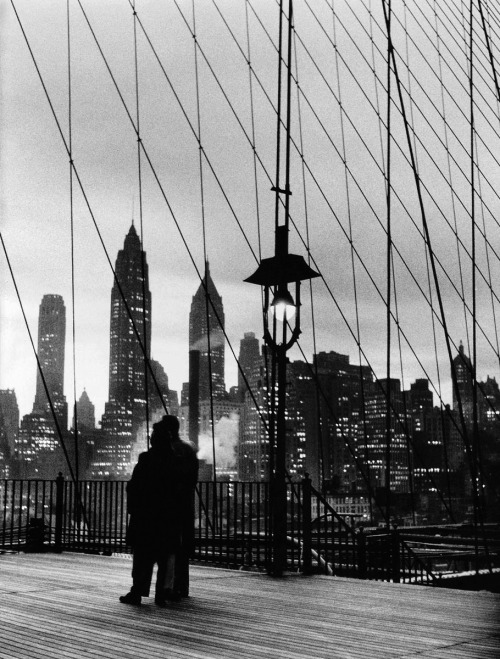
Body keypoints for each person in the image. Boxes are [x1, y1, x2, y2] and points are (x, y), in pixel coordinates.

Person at [119, 414, 198, 606]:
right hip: (170, 515)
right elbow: (185, 485)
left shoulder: (146, 459)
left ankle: (138, 591)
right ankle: (163, 593)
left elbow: (134, 486)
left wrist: (135, 508)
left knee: (143, 557)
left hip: (147, 516)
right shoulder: (178, 459)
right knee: (166, 555)